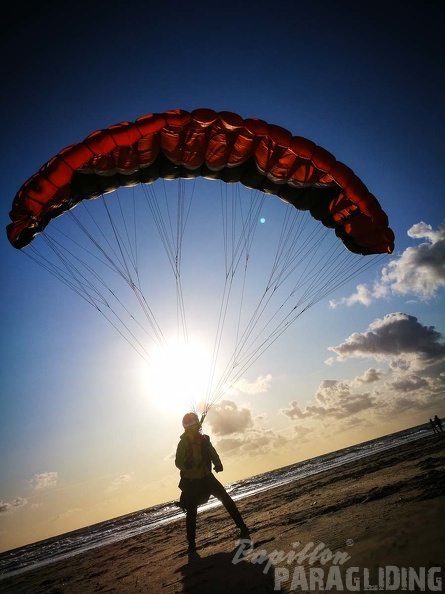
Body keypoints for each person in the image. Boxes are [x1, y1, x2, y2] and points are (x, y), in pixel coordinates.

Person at [175, 412, 250, 554]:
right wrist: (186, 465)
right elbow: (178, 462)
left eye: (196, 426)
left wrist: (218, 463)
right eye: (192, 427)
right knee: (191, 511)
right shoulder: (183, 442)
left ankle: (242, 527)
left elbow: (212, 452)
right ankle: (191, 543)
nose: (195, 429)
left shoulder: (203, 440)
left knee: (225, 498)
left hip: (207, 478)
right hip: (192, 482)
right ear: (187, 428)